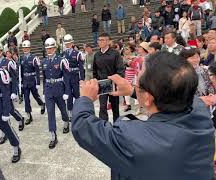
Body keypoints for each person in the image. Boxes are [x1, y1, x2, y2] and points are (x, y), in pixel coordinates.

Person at [72, 52, 214, 180]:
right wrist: (133, 91)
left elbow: (83, 126)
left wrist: (86, 98)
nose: (135, 85)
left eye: (138, 84)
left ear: (148, 97)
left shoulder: (133, 139)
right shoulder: (200, 111)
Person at [0, 42, 25, 144]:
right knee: (1, 112)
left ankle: (20, 119)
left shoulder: (9, 62)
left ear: (2, 51)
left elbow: (14, 78)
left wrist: (14, 92)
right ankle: (4, 132)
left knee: (10, 110)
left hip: (8, 90)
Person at [42, 37, 70, 149]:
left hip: (59, 88)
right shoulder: (44, 61)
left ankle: (66, 121)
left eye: (51, 48)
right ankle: (53, 136)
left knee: (63, 109)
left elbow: (67, 77)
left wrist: (67, 91)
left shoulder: (61, 60)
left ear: (55, 48)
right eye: (47, 48)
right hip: (49, 89)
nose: (49, 50)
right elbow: (44, 78)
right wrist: (44, 92)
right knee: (50, 113)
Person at [93, 33, 125, 122]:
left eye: (102, 40)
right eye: (99, 40)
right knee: (102, 107)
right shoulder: (97, 55)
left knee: (115, 107)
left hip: (113, 83)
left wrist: (117, 81)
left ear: (108, 41)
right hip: (102, 83)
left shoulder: (115, 54)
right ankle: (104, 127)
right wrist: (96, 80)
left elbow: (120, 69)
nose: (100, 42)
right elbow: (94, 70)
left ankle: (116, 126)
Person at [20, 40, 46, 125]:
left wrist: (38, 82)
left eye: (27, 48)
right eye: (24, 48)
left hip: (32, 80)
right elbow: (21, 71)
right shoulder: (22, 58)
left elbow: (37, 71)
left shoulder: (34, 58)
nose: (25, 49)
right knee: (26, 99)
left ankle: (42, 104)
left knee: (35, 96)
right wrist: (21, 82)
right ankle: (29, 115)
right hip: (25, 80)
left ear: (30, 48)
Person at [62, 34, 85, 121]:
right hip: (67, 77)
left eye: (69, 43)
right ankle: (70, 113)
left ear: (72, 43)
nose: (67, 45)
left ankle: (79, 111)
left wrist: (82, 79)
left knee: (77, 95)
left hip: (75, 76)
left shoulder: (78, 53)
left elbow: (81, 67)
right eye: (66, 43)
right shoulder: (63, 54)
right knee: (69, 95)